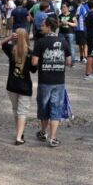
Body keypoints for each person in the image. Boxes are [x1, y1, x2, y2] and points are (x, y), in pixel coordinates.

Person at [31, 17, 71, 148]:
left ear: (48, 27)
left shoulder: (40, 42)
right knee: (56, 108)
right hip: (59, 80)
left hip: (45, 80)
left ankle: (43, 132)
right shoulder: (64, 41)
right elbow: (69, 62)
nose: (41, 27)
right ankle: (53, 138)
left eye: (43, 25)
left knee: (43, 107)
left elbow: (34, 62)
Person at [2, 29, 34, 145]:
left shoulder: (11, 50)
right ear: (26, 38)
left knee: (16, 110)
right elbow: (34, 70)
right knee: (22, 112)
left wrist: (10, 38)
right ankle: (19, 137)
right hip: (25, 86)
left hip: (11, 85)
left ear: (16, 38)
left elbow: (2, 44)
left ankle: (19, 133)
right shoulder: (30, 52)